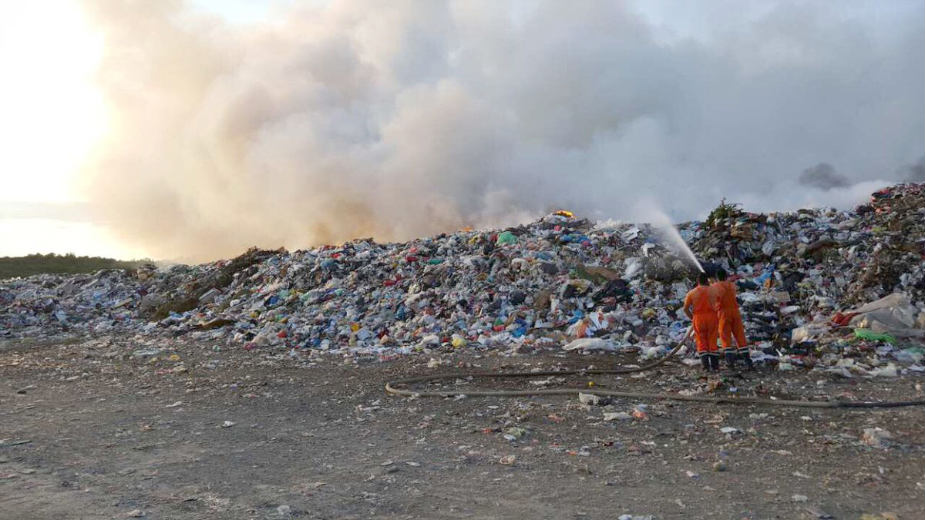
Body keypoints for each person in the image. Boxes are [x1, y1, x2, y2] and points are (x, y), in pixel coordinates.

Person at [711, 268, 753, 370]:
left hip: (723, 313)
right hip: (735, 312)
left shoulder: (714, 287)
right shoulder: (731, 285)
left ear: (717, 277)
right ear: (726, 277)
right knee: (740, 337)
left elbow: (713, 300)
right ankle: (748, 363)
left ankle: (730, 364)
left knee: (725, 338)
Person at [683, 272, 719, 372]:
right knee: (712, 341)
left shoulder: (692, 293)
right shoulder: (714, 291)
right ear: (707, 280)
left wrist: (692, 318)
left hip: (698, 319)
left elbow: (685, 308)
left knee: (701, 341)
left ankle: (705, 366)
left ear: (698, 281)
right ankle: (715, 366)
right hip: (712, 317)